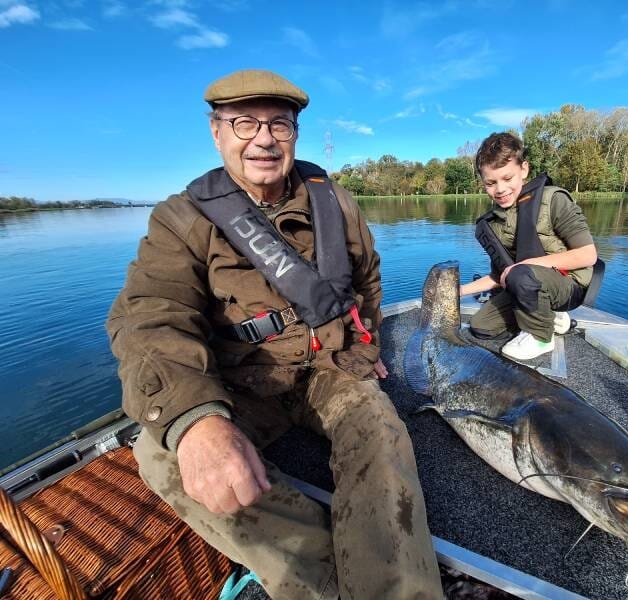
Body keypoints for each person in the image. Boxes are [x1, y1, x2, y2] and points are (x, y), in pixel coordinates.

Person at [106, 69, 442, 600]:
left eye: (279, 125)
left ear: (294, 136)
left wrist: (367, 342)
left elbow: (368, 278)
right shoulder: (182, 219)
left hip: (330, 368)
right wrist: (198, 423)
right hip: (244, 384)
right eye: (244, 123)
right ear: (217, 133)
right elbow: (151, 315)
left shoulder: (336, 203)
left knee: (381, 431)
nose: (263, 139)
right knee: (160, 454)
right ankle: (329, 582)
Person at [459, 132, 598, 361]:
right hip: (526, 284)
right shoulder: (493, 223)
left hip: (569, 285)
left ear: (523, 169)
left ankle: (541, 337)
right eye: (490, 183)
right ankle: (550, 317)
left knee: (521, 274)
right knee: (481, 326)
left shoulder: (553, 200)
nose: (500, 189)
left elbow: (588, 255)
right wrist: (460, 291)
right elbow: (499, 276)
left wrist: (529, 264)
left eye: (507, 178)